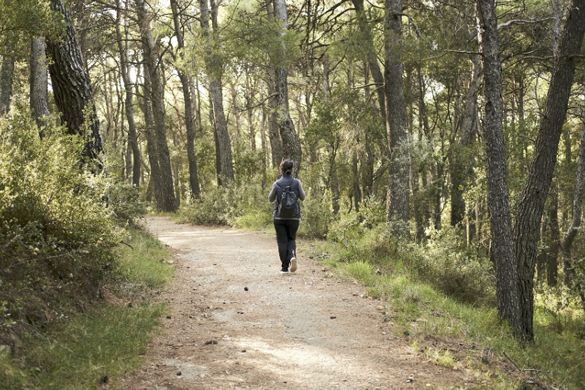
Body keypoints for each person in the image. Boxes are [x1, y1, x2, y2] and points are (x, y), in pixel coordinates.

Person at [268, 159, 306, 273]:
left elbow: (270, 199)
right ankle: (292, 256)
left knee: (282, 241)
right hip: (294, 217)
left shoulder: (277, 183)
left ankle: (284, 267)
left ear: (282, 170)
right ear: (292, 169)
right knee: (291, 239)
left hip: (279, 217)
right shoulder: (297, 182)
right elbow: (303, 197)